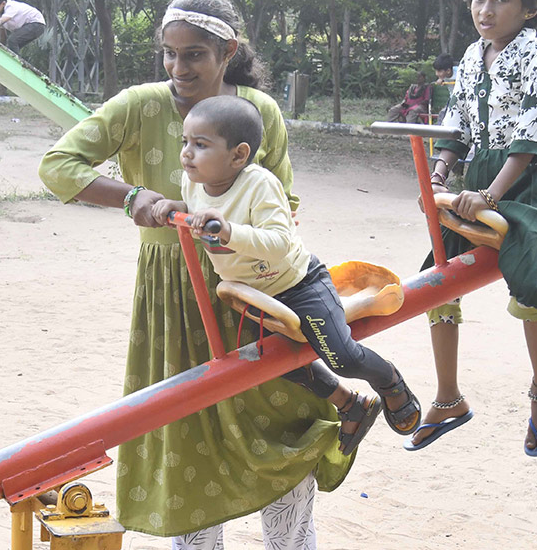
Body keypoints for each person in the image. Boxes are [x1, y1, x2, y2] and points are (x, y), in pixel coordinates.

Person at [40, 0, 377, 550]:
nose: (179, 68)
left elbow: (283, 204)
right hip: (172, 295)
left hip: (250, 290)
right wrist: (133, 195)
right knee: (186, 430)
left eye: (193, 55)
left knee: (291, 416)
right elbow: (58, 167)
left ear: (227, 51)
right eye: (169, 55)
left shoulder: (260, 115)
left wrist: (248, 247)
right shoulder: (139, 108)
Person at [150, 95, 420, 457]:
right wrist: (178, 209)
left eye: (200, 145)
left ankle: (388, 380)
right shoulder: (193, 184)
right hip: (255, 294)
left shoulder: (258, 185)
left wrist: (227, 231)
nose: (186, 153)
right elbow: (197, 212)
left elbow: (278, 242)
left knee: (341, 357)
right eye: (185, 142)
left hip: (300, 285)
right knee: (271, 364)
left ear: (238, 155)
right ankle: (350, 406)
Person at [409, 0, 537, 455]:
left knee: (529, 285)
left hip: (532, 182)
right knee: (437, 282)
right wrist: (438, 176)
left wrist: (488, 196)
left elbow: (530, 134)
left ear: (529, 8)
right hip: (478, 181)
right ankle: (447, 397)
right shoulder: (469, 55)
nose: (486, 10)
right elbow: (458, 123)